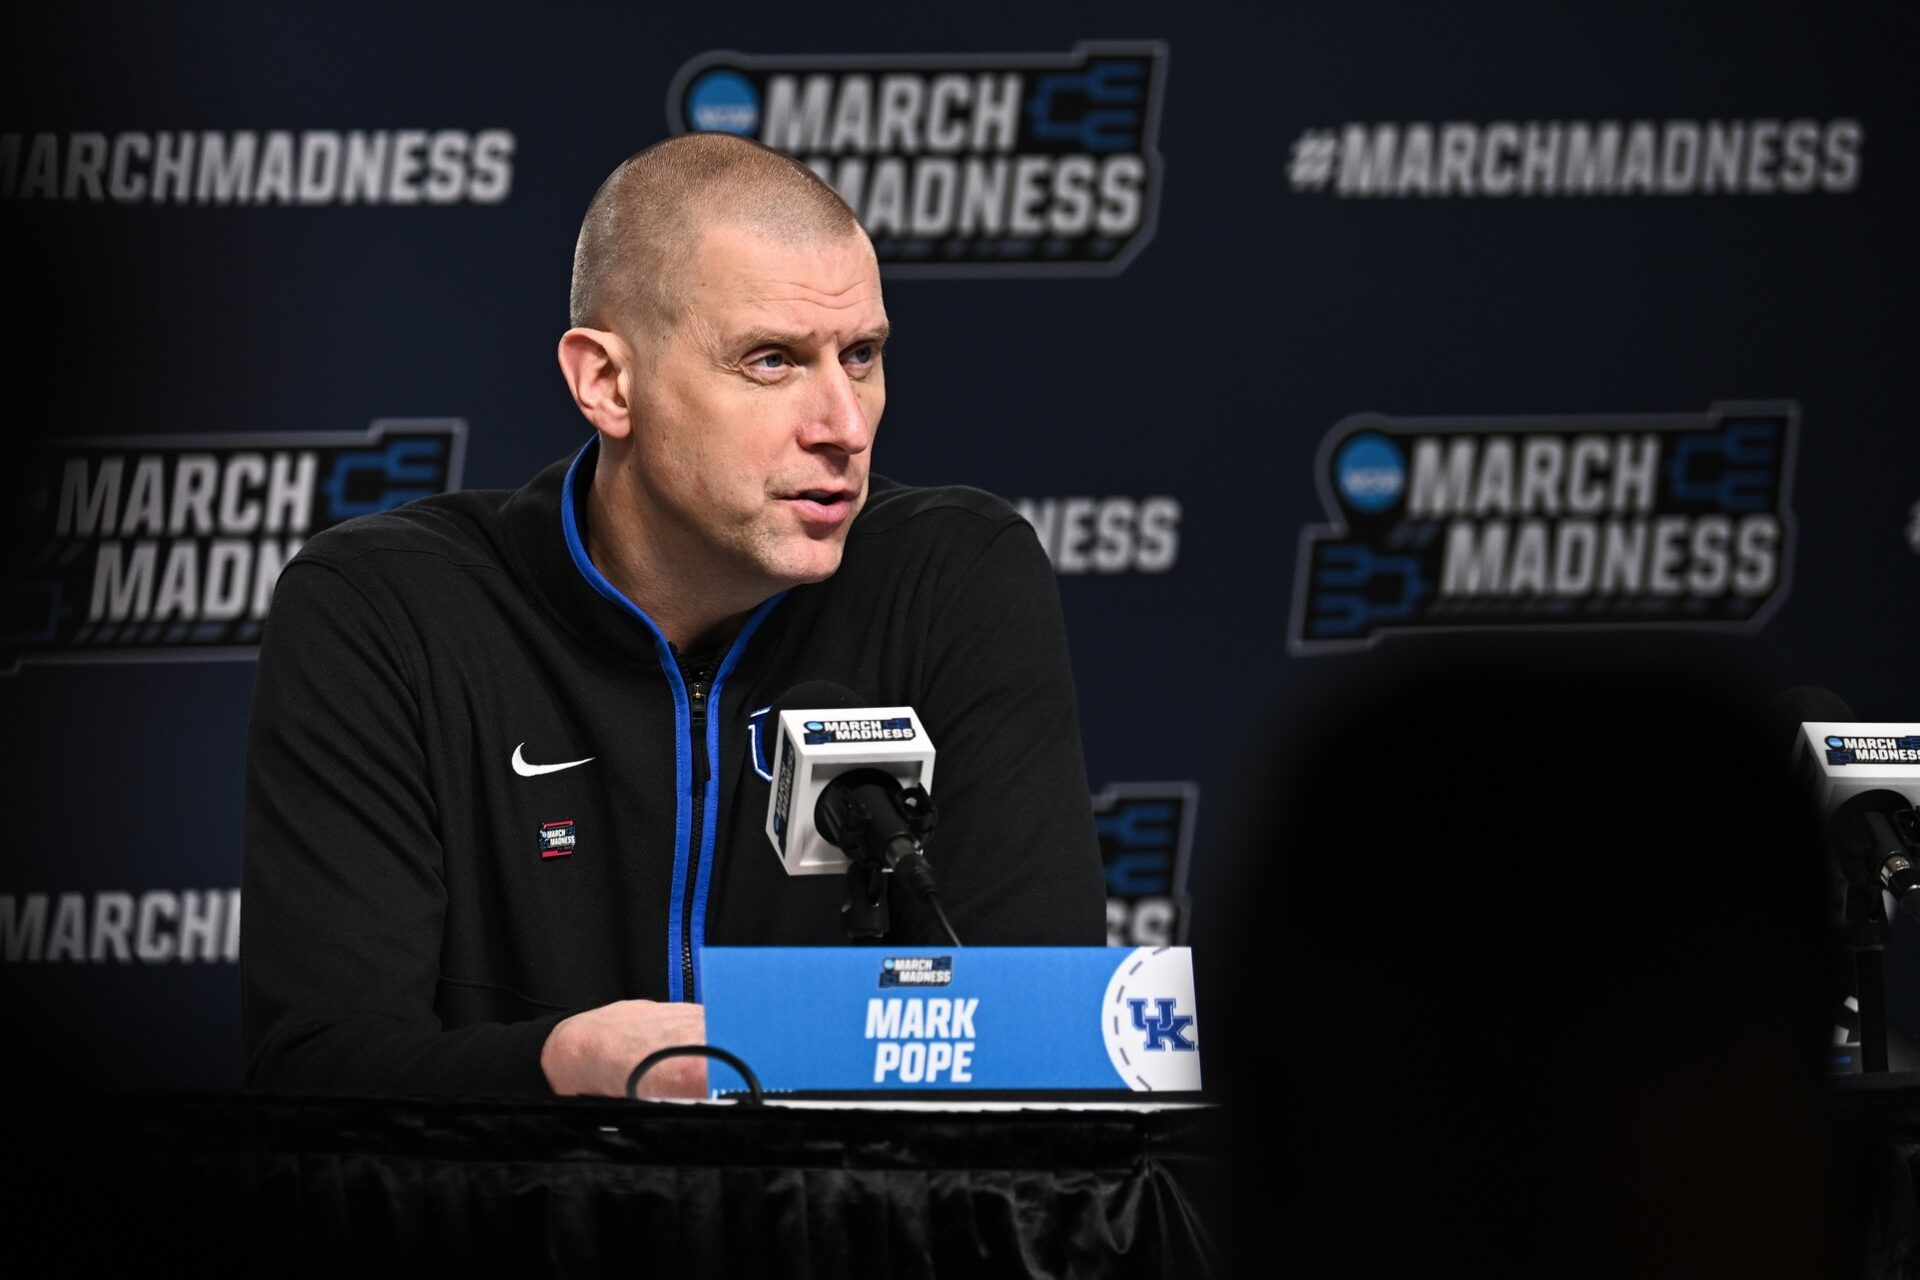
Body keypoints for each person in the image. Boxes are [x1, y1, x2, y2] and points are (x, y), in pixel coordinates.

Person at [241, 134, 1107, 1099]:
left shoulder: (954, 579)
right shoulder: (388, 610)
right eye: (772, 360)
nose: (845, 426)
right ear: (607, 383)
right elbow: (321, 1073)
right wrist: (561, 1065)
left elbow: (1040, 1044)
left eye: (860, 356)